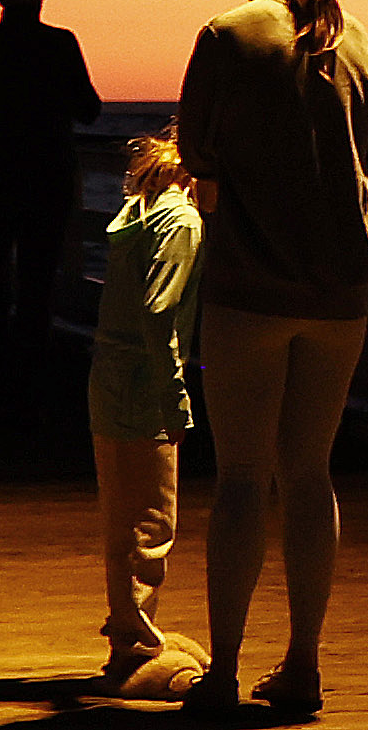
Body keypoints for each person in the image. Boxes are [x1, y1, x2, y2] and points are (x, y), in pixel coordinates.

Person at [173, 0, 368, 722]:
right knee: (310, 474)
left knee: (241, 481)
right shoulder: (355, 35)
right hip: (340, 294)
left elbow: (196, 151)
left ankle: (221, 672)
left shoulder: (227, 33)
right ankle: (302, 665)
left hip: (251, 284)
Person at [86, 135, 207, 693]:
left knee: (120, 515)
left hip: (109, 375)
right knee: (153, 521)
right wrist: (177, 397)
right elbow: (160, 313)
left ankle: (129, 632)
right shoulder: (182, 224)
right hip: (144, 384)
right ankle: (136, 643)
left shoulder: (137, 215)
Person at [0, 0, 107, 416]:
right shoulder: (60, 44)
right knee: (37, 288)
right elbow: (89, 108)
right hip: (47, 180)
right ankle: (34, 392)